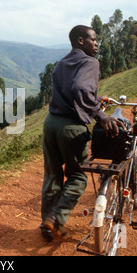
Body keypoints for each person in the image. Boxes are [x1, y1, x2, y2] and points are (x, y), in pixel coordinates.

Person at [40, 25, 124, 241]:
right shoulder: (90, 62)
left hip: (51, 124)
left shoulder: (62, 63)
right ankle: (56, 219)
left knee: (53, 174)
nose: (96, 44)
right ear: (80, 41)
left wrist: (95, 99)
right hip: (71, 128)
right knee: (77, 176)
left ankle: (46, 223)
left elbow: (72, 90)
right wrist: (101, 115)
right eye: (93, 40)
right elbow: (80, 88)